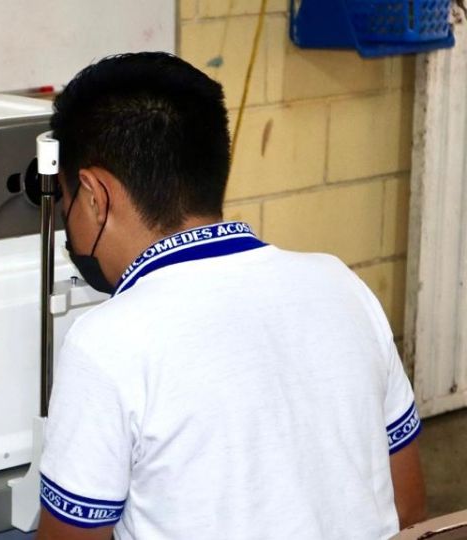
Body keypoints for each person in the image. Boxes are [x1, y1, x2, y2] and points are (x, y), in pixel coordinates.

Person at [36, 52, 426, 540]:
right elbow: (408, 509)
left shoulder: (106, 343)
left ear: (95, 195)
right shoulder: (342, 285)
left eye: (68, 201)